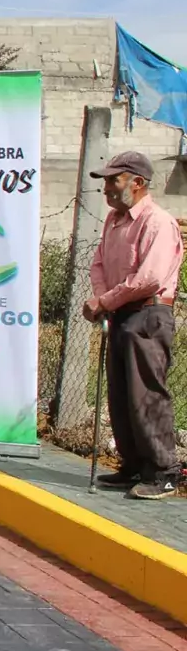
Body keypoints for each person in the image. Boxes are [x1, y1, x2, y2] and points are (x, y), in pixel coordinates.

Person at [85, 152, 185, 501]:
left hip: (148, 315)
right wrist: (103, 300)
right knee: (121, 393)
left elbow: (150, 277)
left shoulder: (157, 222)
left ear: (137, 182)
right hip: (121, 313)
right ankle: (133, 467)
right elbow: (98, 263)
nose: (107, 188)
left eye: (114, 180)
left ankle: (163, 471)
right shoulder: (114, 220)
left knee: (146, 393)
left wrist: (105, 301)